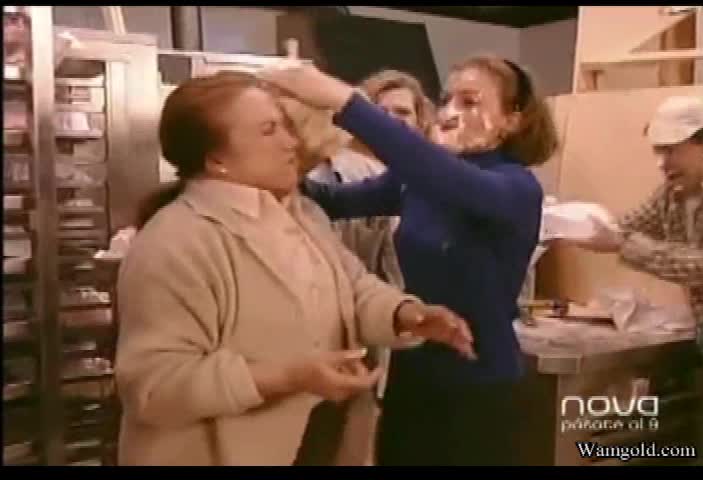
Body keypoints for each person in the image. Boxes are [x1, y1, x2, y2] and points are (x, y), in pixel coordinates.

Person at [114, 71, 476, 466]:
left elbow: (352, 286)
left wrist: (404, 313)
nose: (291, 142)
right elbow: (153, 385)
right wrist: (289, 377)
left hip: (319, 443)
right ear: (217, 160)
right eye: (269, 131)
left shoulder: (302, 214)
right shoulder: (177, 241)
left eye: (285, 126)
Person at [260, 53, 559, 465]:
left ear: (512, 120)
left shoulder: (515, 188)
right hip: (412, 370)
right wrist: (287, 161)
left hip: (477, 384)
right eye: (447, 99)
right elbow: (332, 201)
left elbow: (440, 175)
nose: (450, 113)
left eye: (470, 102)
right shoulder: (417, 181)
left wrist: (342, 100)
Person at [282, 70, 436, 465]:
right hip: (333, 343)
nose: (390, 123)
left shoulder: (427, 180)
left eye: (402, 112)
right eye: (380, 113)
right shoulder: (337, 177)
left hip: (388, 338)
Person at [558, 95, 703, 350]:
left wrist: (624, 244)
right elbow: (624, 227)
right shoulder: (671, 194)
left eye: (671, 150)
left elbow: (701, 266)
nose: (661, 163)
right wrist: (565, 224)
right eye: (657, 150)